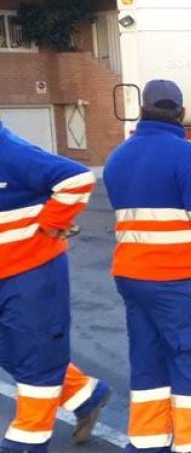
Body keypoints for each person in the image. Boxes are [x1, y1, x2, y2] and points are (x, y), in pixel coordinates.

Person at [103, 80, 191, 453]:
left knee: (149, 360)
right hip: (178, 280)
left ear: (142, 110)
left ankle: (147, 443)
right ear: (182, 112)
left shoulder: (119, 156)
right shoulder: (186, 155)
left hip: (132, 277)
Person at [0, 119, 111, 452]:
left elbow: (77, 178)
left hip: (31, 271)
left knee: (36, 353)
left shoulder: (12, 153)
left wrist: (52, 224)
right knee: (12, 350)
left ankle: (27, 440)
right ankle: (85, 394)